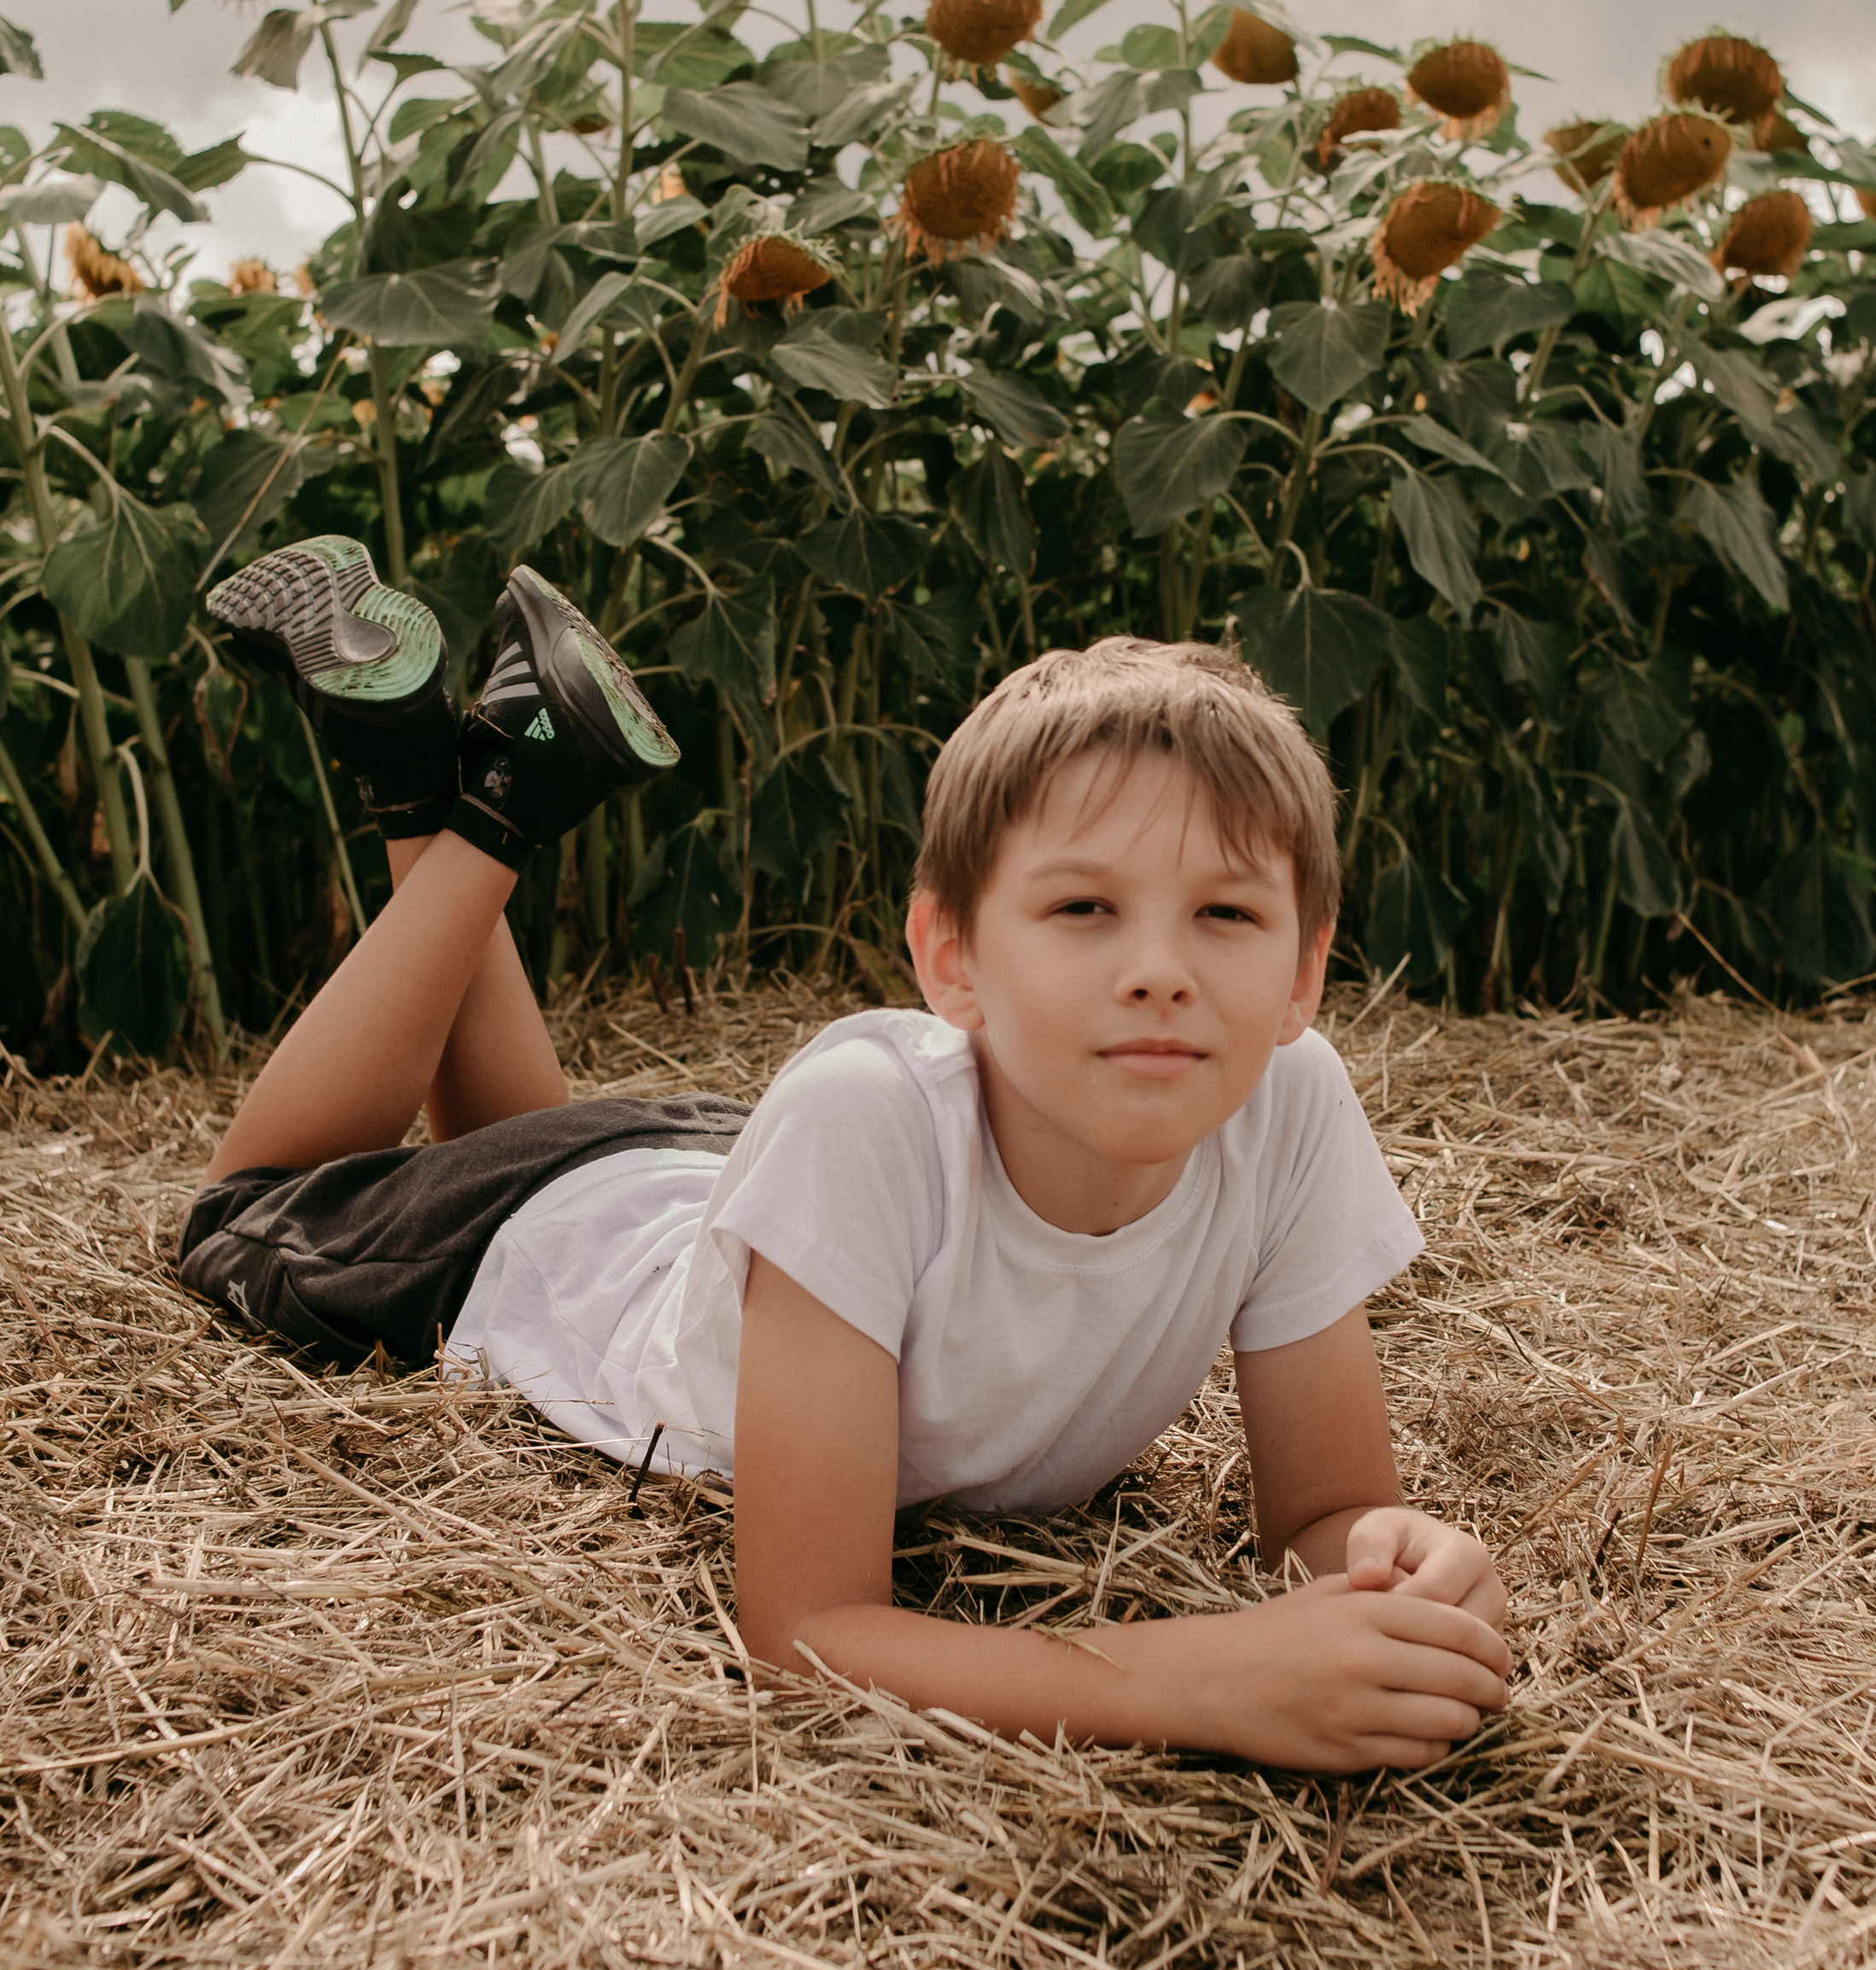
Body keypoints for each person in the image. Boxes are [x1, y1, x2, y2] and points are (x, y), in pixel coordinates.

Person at [184, 540, 1511, 1774]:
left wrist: (1396, 1566)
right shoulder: (862, 1118)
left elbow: (1323, 1515)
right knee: (242, 1207)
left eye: (1225, 912)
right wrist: (1194, 1680)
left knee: (509, 1138)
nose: (1160, 971)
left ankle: (445, 755)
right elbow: (807, 1635)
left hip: (734, 1193)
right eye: (1083, 907)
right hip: (536, 1237)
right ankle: (482, 807)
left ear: (1303, 975)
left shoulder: (1289, 1100)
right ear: (952, 959)